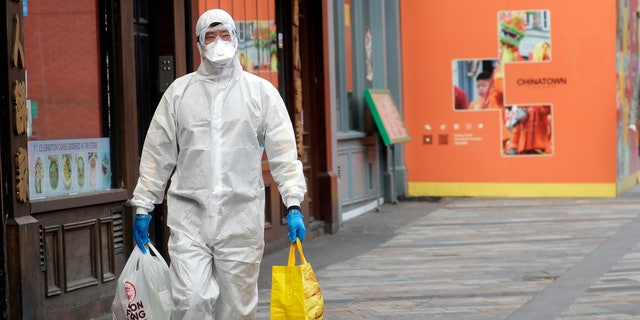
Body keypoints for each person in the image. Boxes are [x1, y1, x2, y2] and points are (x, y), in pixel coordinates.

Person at [129, 9, 307, 319]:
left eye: (224, 34)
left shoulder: (260, 93)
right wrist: (144, 204)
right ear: (199, 44)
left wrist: (292, 204)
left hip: (241, 218)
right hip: (189, 220)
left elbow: (283, 152)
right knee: (190, 300)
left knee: (236, 308)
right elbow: (158, 152)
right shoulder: (179, 94)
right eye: (209, 37)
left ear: (236, 38)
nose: (218, 42)